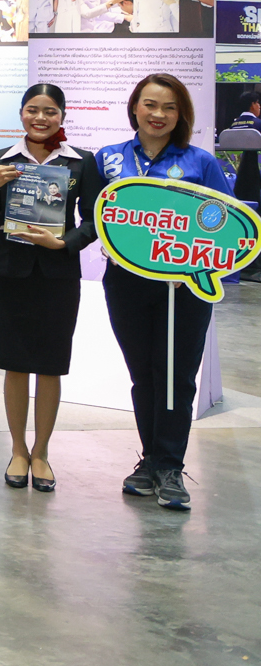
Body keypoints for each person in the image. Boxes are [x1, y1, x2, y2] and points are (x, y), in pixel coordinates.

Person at [93, 73, 233, 511]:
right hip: (125, 283)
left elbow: (227, 224)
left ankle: (170, 465)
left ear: (181, 114)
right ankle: (150, 458)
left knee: (176, 376)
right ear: (135, 107)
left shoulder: (200, 161)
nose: (158, 114)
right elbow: (94, 216)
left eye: (169, 107)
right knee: (144, 374)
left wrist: (196, 263)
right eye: (150, 104)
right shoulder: (109, 158)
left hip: (183, 288)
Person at [0, 83, 98, 493]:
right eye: (32, 110)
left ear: (62, 115)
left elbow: (94, 219)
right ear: (21, 113)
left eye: (50, 111)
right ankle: (17, 449)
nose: (40, 118)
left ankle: (41, 452)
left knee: (50, 365)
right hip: (8, 274)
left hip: (57, 275)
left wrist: (64, 243)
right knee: (14, 364)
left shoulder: (81, 161)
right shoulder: (2, 159)